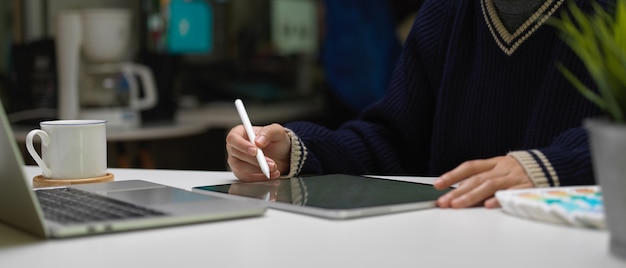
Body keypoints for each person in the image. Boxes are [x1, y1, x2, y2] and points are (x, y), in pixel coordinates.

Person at [225, 0, 608, 208]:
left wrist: (548, 167)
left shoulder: (610, 12)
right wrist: (296, 149)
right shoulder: (445, 12)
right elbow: (393, 140)